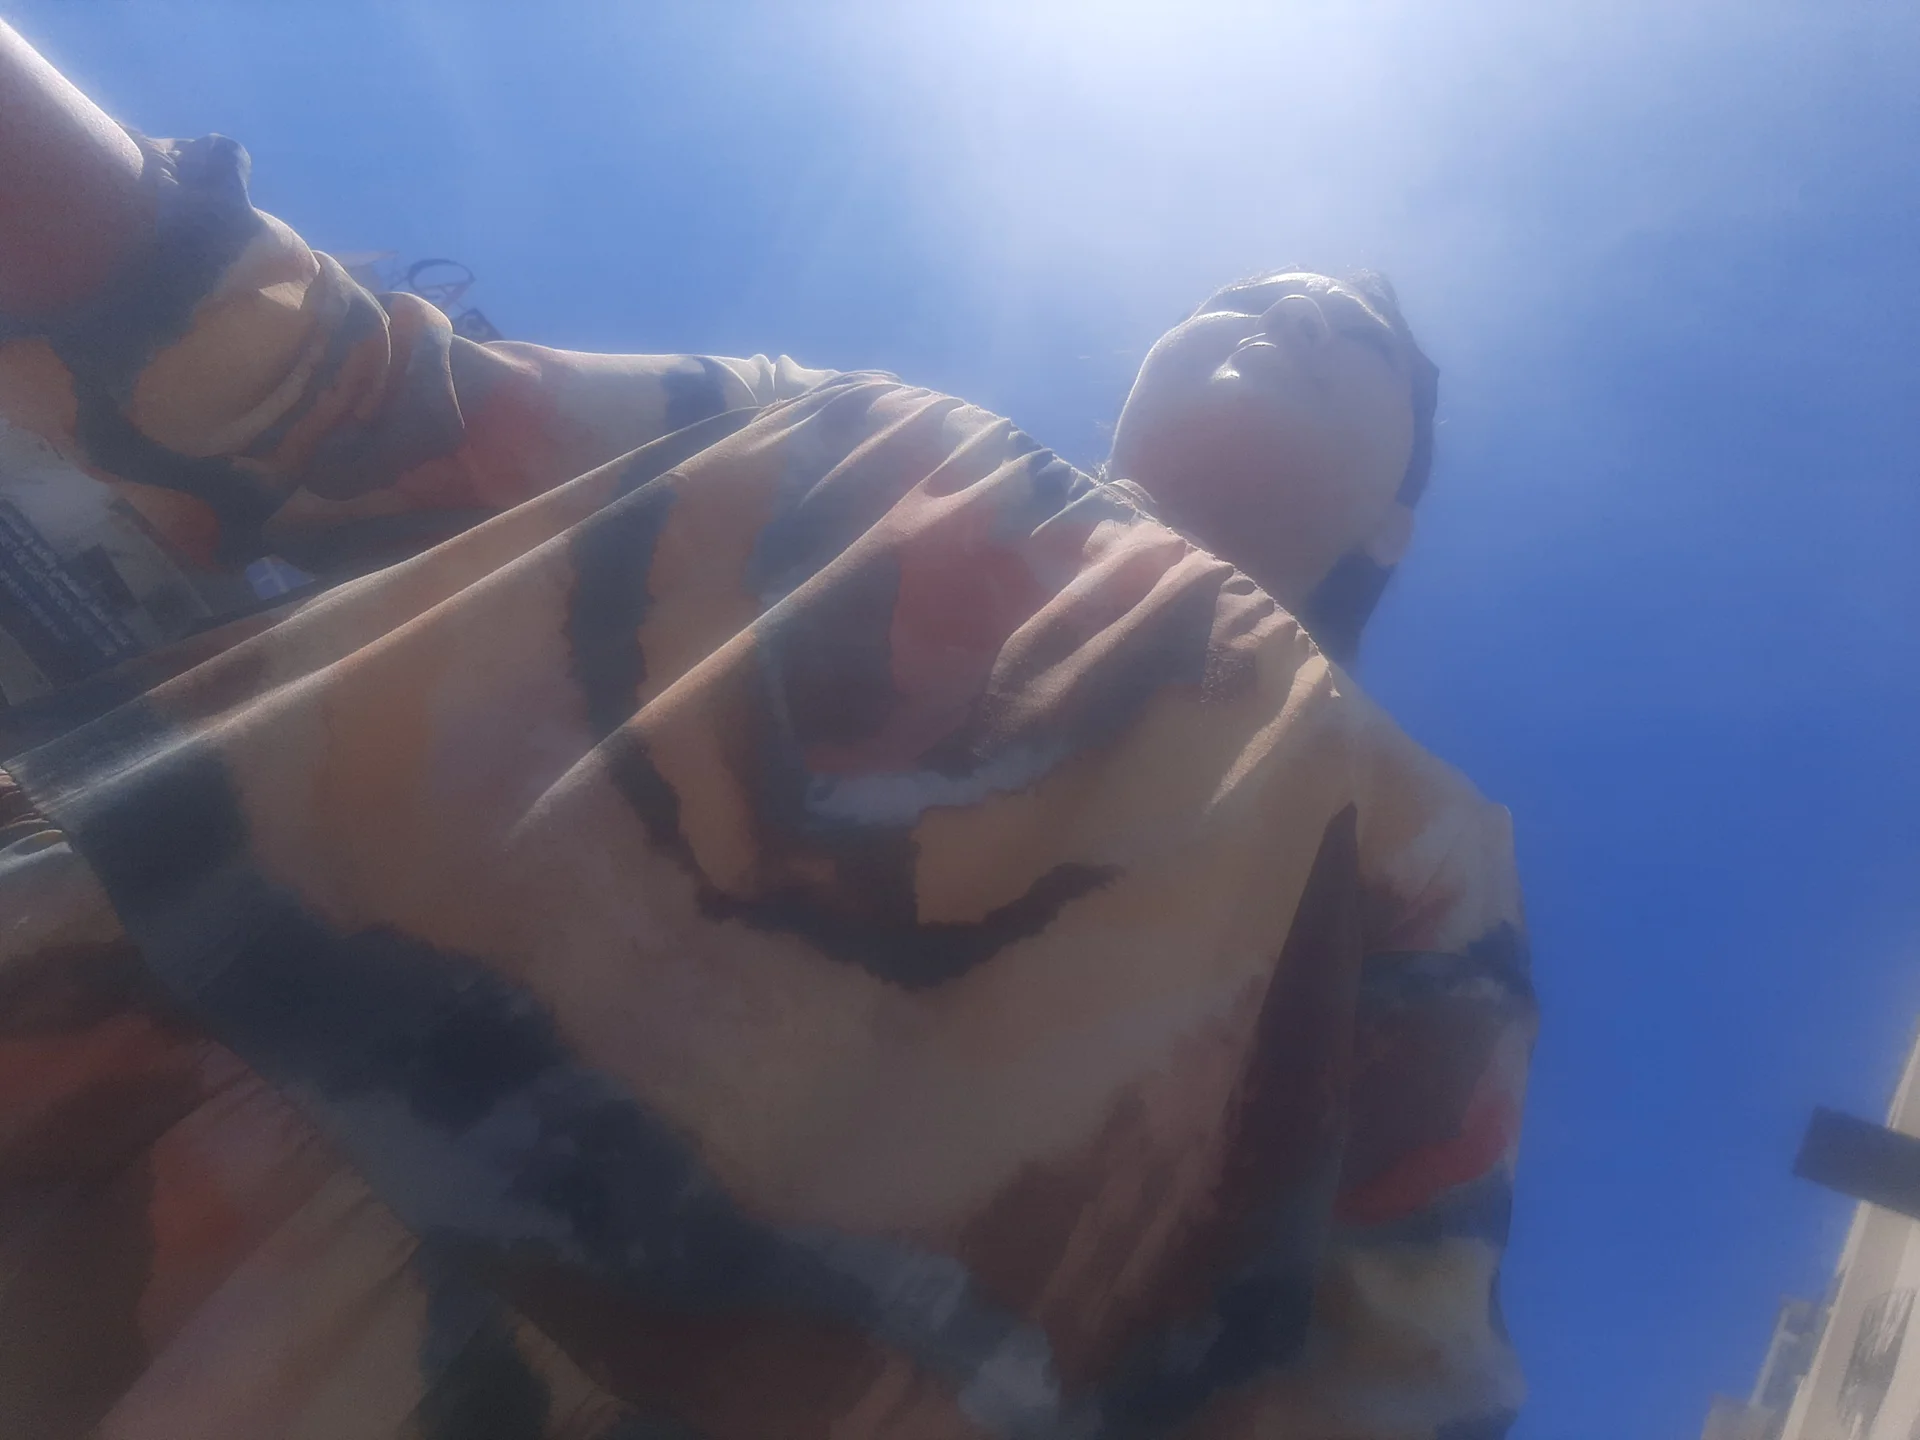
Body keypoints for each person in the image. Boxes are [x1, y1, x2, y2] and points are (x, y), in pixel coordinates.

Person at [0, 19, 1534, 1440]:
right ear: (1130, 388)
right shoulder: (854, 428)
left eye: (1362, 343)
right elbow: (377, 405)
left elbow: (1390, 1351)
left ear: (1392, 526)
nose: (1294, 307)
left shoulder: (1411, 840)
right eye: (1242, 295)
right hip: (106, 1070)